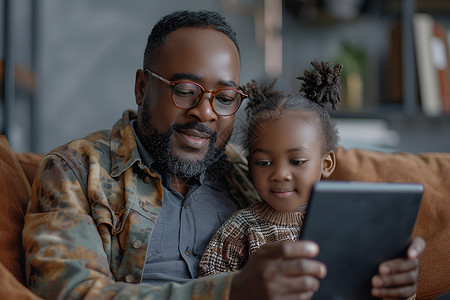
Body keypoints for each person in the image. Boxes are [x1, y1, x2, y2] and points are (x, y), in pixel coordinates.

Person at [22, 10, 425, 300]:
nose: (205, 112)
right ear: (143, 88)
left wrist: (384, 277)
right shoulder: (76, 170)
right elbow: (70, 292)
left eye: (226, 97)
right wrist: (233, 290)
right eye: (185, 90)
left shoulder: (253, 172)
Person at [198, 60, 341, 277]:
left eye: (296, 161)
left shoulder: (341, 222)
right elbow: (210, 287)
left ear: (326, 164)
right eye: (264, 163)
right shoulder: (241, 229)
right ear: (250, 166)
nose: (280, 174)